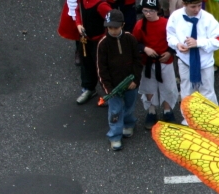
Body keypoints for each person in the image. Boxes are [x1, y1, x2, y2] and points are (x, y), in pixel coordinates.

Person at [96, 10, 142, 151]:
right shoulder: (103, 44)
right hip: (113, 86)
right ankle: (115, 136)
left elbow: (137, 61)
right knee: (115, 111)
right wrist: (108, 89)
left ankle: (128, 124)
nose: (113, 30)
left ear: (122, 25)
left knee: (129, 106)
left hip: (131, 83)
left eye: (116, 27)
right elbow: (101, 69)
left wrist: (136, 80)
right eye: (110, 27)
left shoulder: (130, 39)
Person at [166, 0, 219, 103]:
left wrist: (198, 43)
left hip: (205, 63)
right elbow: (170, 35)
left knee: (208, 94)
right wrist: (177, 44)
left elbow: (218, 40)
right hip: (185, 62)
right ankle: (188, 114)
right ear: (184, 4)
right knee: (187, 93)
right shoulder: (175, 16)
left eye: (199, 5)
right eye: (193, 7)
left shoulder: (208, 18)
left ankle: (209, 113)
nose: (197, 9)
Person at [133, 0, 179, 129]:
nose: (148, 14)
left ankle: (167, 110)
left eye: (151, 11)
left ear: (158, 10)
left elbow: (175, 40)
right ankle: (151, 111)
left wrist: (170, 52)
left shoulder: (166, 23)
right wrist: (144, 49)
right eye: (145, 11)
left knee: (168, 87)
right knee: (149, 87)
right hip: (147, 62)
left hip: (164, 61)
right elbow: (135, 42)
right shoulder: (140, 25)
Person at [74, 0, 115, 104]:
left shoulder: (101, 5)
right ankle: (89, 88)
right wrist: (78, 24)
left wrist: (107, 37)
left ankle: (110, 93)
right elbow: (77, 11)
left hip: (99, 42)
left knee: (102, 68)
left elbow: (113, 20)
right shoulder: (82, 1)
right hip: (85, 39)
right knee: (86, 64)